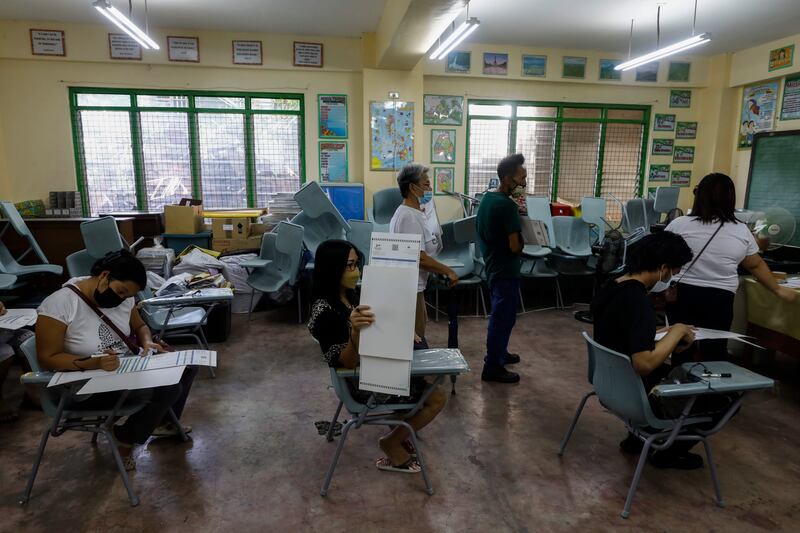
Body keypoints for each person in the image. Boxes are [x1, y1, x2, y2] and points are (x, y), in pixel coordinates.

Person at [36, 250, 197, 470]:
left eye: (127, 296)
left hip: (123, 369)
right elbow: (47, 358)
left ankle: (162, 423)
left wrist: (147, 342)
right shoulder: (60, 303)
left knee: (187, 367)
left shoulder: (124, 298)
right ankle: (125, 438)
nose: (122, 299)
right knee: (167, 388)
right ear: (104, 276)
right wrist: (92, 363)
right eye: (121, 291)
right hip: (84, 386)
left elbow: (140, 326)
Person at [307, 240, 447, 473]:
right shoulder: (325, 313)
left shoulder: (347, 296)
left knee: (425, 363)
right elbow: (348, 363)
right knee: (437, 397)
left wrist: (401, 329)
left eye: (356, 265)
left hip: (370, 365)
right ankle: (391, 442)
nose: (356, 272)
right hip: (360, 381)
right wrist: (354, 331)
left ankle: (401, 429)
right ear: (332, 270)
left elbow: (376, 321)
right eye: (349, 266)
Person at [592, 231, 726, 469]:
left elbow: (622, 332)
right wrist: (677, 332)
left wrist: (670, 331)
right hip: (637, 396)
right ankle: (668, 453)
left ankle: (636, 439)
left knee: (676, 372)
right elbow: (643, 364)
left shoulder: (612, 286)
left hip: (610, 385)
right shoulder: (638, 301)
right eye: (674, 272)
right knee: (724, 400)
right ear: (663, 267)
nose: (672, 278)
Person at [665, 173, 796, 363]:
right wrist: (778, 290)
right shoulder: (740, 230)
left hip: (682, 294)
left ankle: (678, 386)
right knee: (715, 350)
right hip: (720, 298)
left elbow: (661, 255)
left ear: (698, 195)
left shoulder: (679, 224)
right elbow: (756, 264)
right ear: (730, 199)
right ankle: (712, 389)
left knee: (680, 346)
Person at [390, 163, 458, 346]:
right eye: (426, 184)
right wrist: (447, 270)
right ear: (412, 188)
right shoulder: (407, 216)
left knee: (420, 328)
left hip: (417, 284)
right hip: (410, 286)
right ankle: (413, 374)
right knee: (415, 337)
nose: (429, 189)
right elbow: (418, 256)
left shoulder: (416, 213)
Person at [476, 153, 527, 383]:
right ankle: (492, 366)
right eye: (521, 178)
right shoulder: (507, 206)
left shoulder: (487, 199)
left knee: (504, 316)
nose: (524, 183)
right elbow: (515, 245)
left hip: (493, 265)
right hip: (506, 269)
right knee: (502, 318)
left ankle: (500, 353)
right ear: (507, 179)